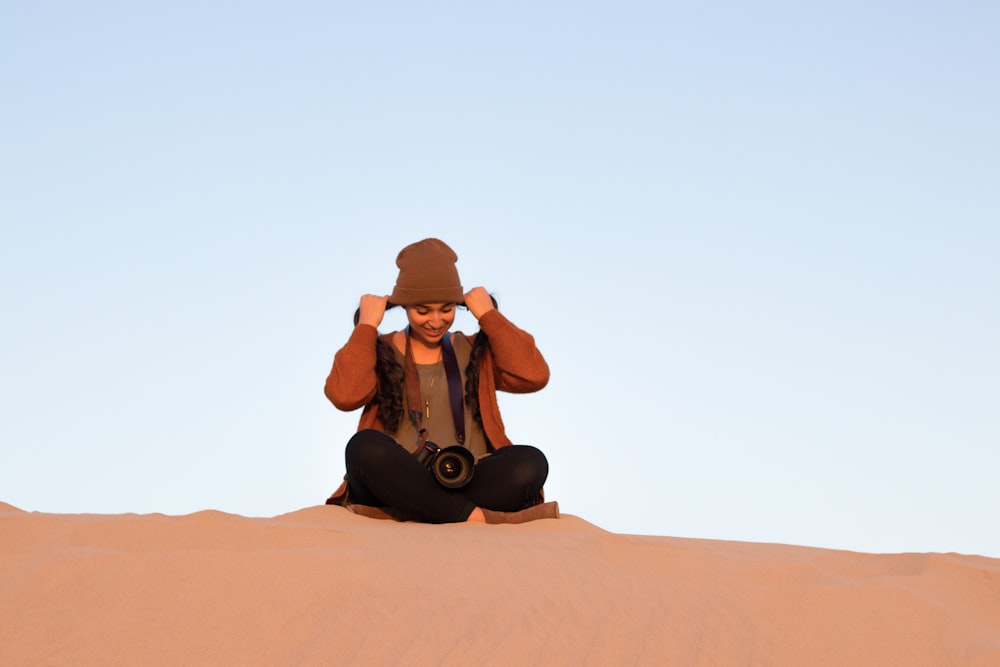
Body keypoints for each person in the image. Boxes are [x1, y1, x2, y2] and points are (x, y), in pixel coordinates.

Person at [323, 238, 559, 524]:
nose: (436, 321)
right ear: (405, 307)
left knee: (531, 463)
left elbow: (534, 375)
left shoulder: (475, 351)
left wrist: (489, 315)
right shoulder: (379, 351)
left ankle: (434, 511)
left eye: (446, 309)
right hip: (396, 483)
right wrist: (366, 327)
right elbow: (343, 395)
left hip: (465, 478)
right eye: (422, 311)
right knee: (363, 448)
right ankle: (466, 517)